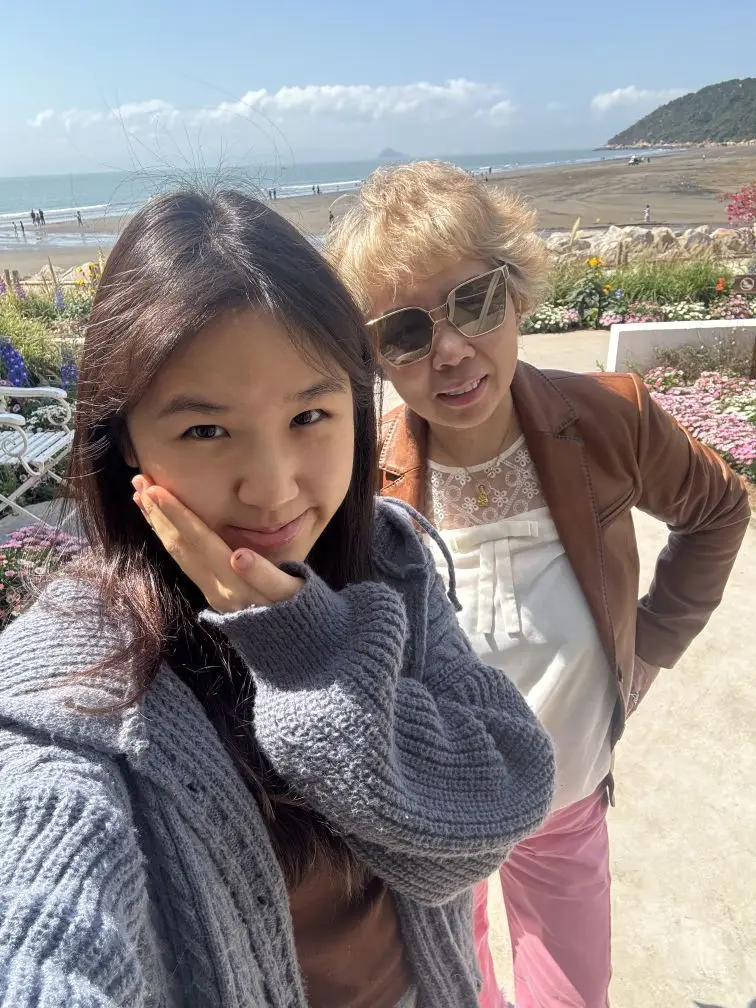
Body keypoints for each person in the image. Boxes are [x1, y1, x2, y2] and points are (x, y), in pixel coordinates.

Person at [0, 187, 555, 1008]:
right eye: (205, 430)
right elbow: (47, 911)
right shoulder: (74, 681)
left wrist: (313, 652)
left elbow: (493, 813)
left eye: (309, 415)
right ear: (125, 442)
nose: (272, 489)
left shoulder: (388, 565)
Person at [326, 161, 751, 1008]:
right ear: (376, 358)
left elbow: (719, 508)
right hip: (441, 813)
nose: (450, 349)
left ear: (518, 292)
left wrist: (651, 649)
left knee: (573, 993)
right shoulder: (362, 473)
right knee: (458, 986)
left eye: (475, 301)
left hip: (569, 796)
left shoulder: (609, 418)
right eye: (405, 332)